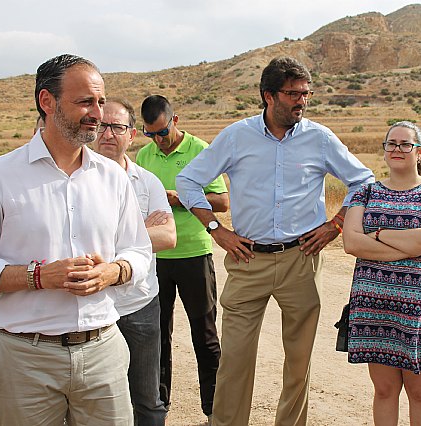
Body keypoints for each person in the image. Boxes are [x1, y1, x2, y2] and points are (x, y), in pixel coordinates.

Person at [176, 56, 375, 425]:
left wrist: (336, 223)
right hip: (247, 260)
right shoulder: (237, 136)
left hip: (302, 259)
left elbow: (363, 180)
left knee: (298, 363)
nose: (301, 101)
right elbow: (188, 181)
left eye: (306, 94)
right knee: (234, 360)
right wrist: (217, 230)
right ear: (268, 96)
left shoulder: (320, 137)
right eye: (293, 94)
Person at [0, 54, 152, 425]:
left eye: (101, 102)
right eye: (85, 101)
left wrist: (113, 272)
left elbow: (140, 251)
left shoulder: (113, 177)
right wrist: (39, 276)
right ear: (47, 101)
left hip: (103, 350)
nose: (97, 113)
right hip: (25, 359)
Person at [343, 121, 421, 425]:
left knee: (420, 391)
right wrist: (411, 244)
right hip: (374, 303)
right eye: (390, 143)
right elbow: (351, 242)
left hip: (420, 305)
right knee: (384, 389)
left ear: (419, 151)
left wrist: (378, 234)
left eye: (405, 144)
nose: (397, 149)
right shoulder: (364, 192)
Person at [136, 95, 229, 421]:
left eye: (162, 132)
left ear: (175, 121)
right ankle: (158, 408)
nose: (158, 140)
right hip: (156, 258)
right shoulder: (144, 156)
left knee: (204, 334)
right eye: (150, 134)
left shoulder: (201, 150)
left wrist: (182, 198)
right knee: (157, 334)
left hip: (194, 254)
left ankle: (214, 409)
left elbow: (222, 201)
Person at [93, 98, 176, 425]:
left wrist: (103, 239)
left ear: (131, 135)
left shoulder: (147, 182)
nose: (108, 134)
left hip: (139, 304)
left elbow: (168, 237)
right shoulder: (74, 183)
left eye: (118, 127)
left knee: (147, 400)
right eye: (102, 126)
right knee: (97, 401)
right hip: (93, 308)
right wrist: (140, 233)